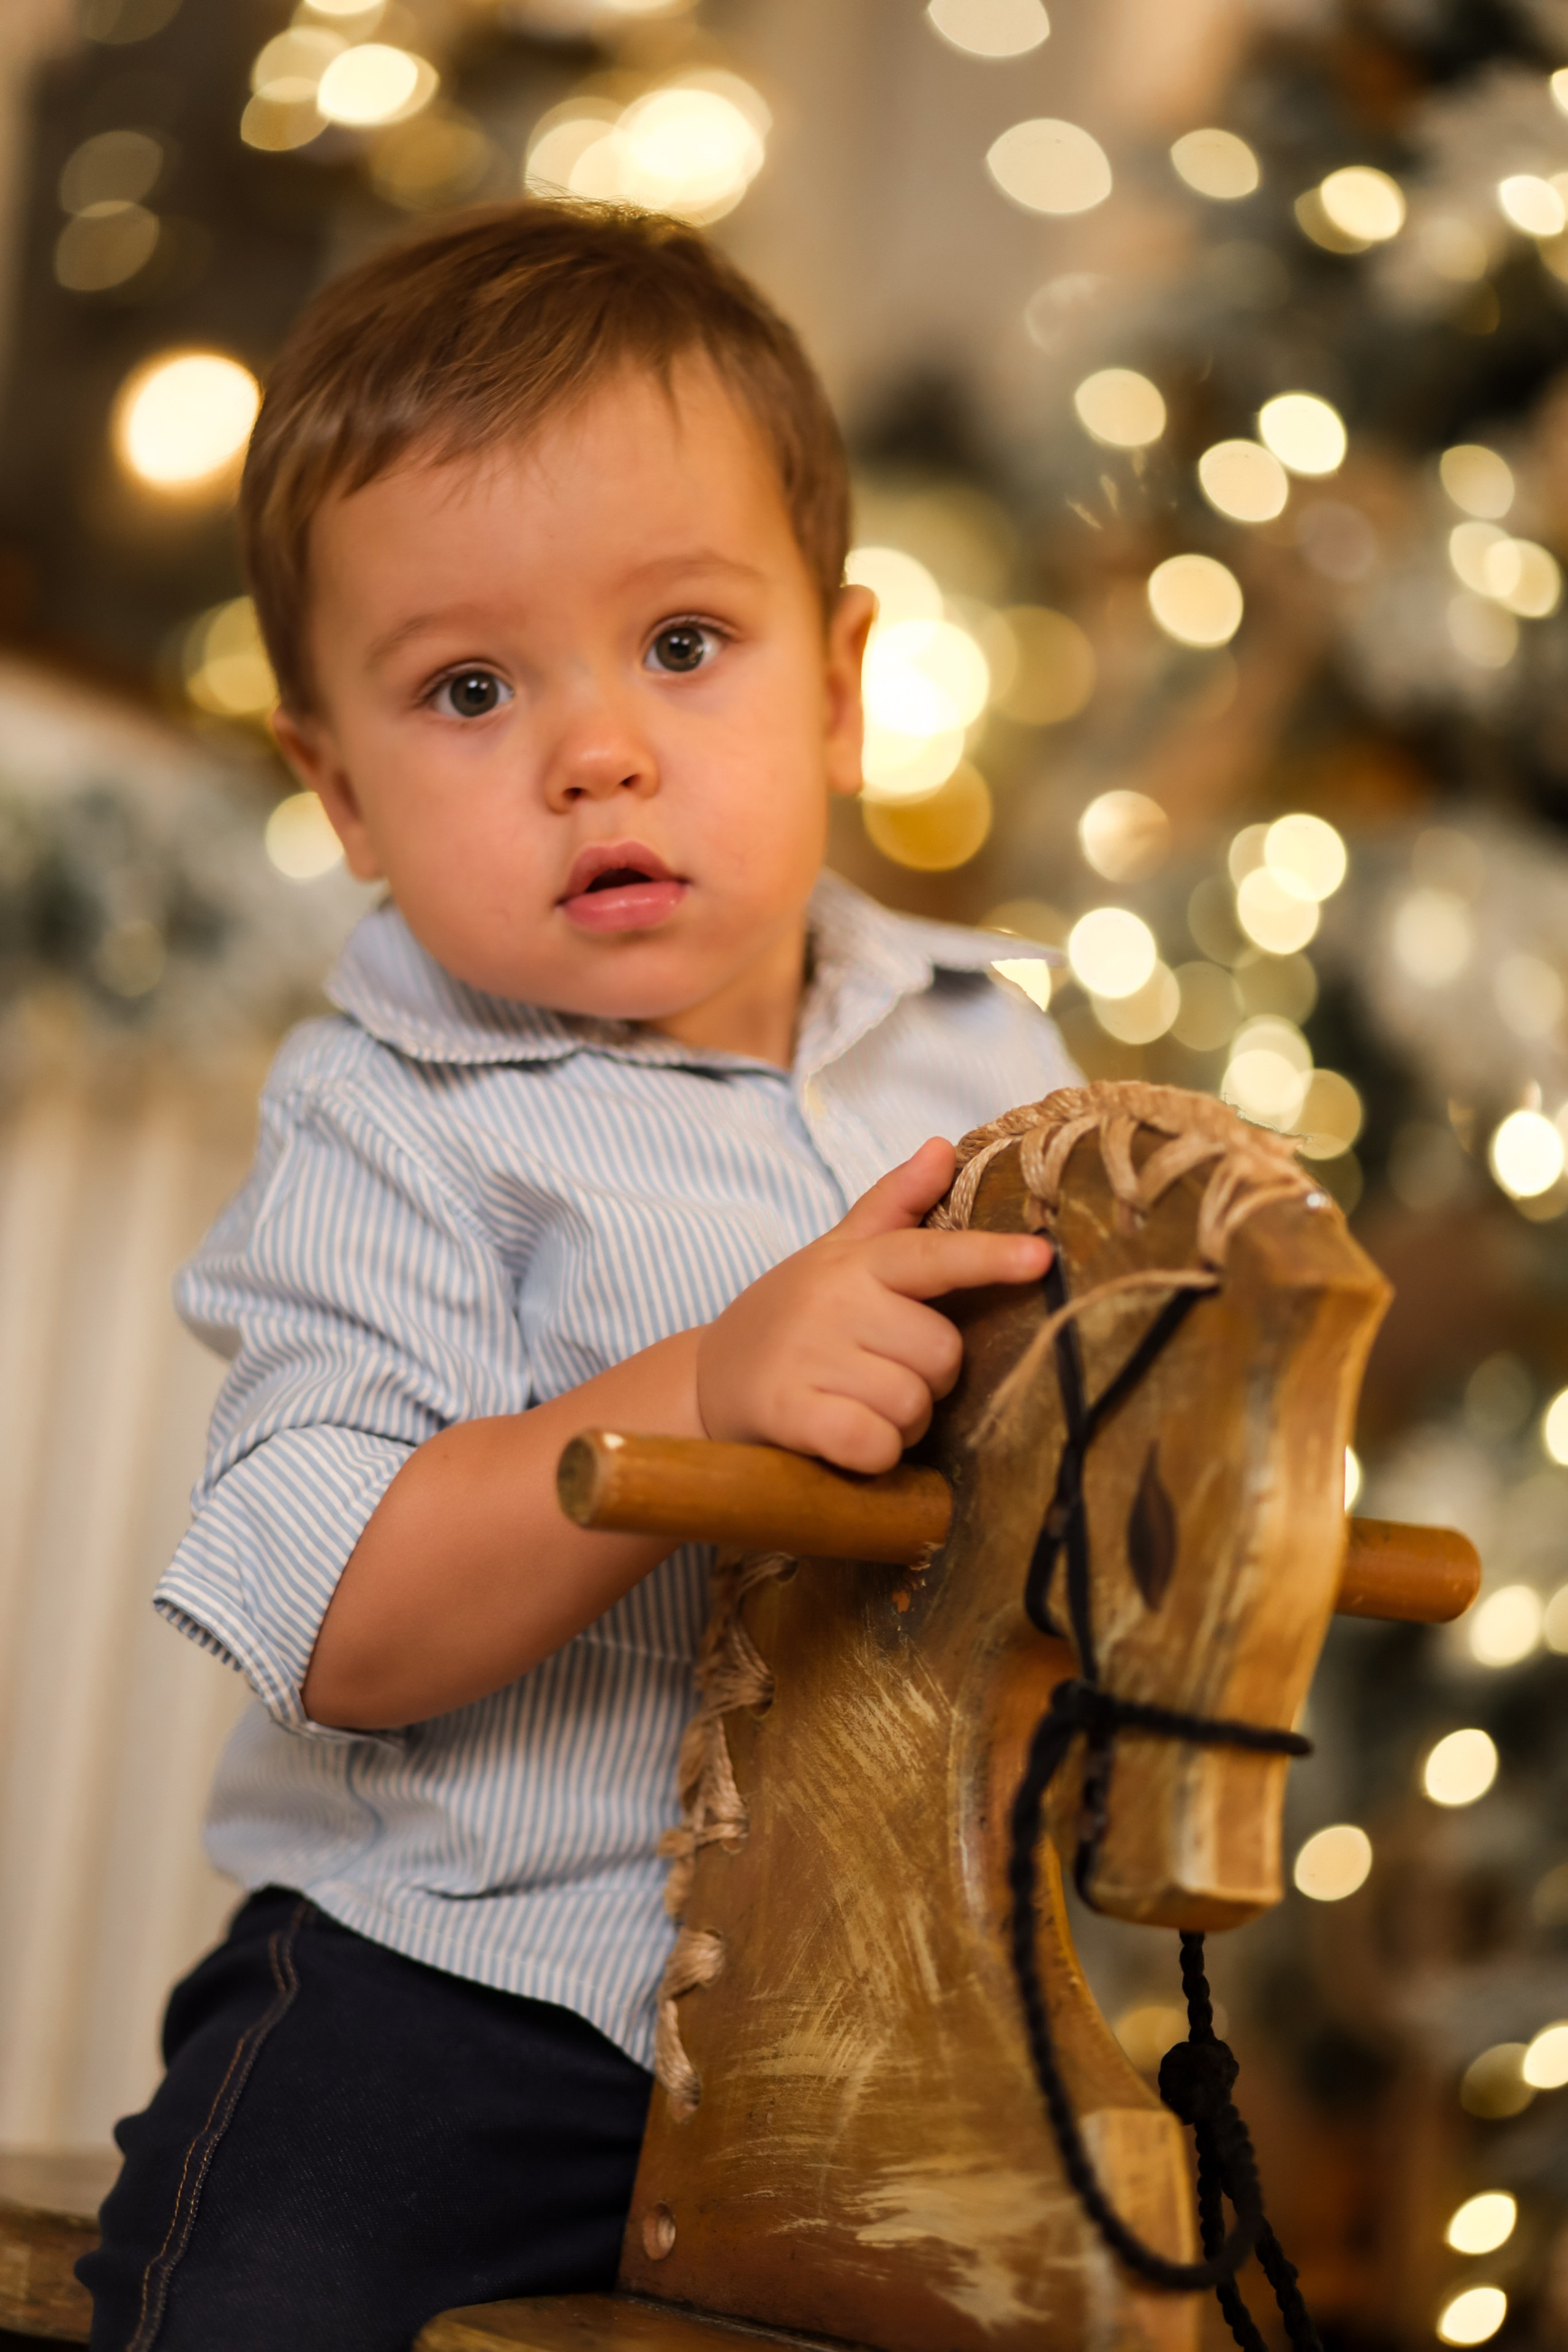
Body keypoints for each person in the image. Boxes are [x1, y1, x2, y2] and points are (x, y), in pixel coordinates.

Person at [80, 200, 1072, 2352]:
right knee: (265, 2298)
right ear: (336, 791)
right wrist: (700, 1388)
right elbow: (334, 1620)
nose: (594, 752)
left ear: (845, 680)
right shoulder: (395, 1120)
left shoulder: (1000, 1060)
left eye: (685, 645)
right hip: (468, 1992)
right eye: (466, 688)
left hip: (888, 2027)